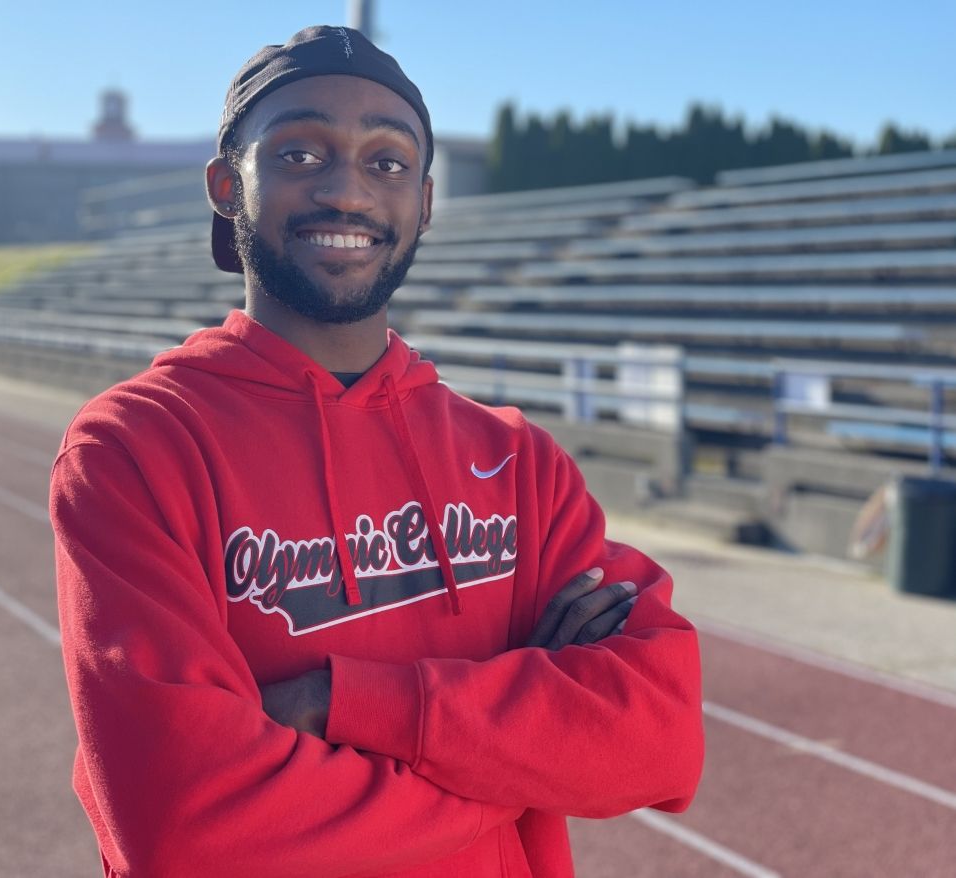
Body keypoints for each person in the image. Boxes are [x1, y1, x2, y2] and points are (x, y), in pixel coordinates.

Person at [50, 26, 703, 878]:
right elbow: (187, 828)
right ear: (226, 186)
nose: (347, 191)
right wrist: (526, 758)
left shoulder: (518, 464)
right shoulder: (134, 449)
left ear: (425, 202)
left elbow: (659, 738)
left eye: (387, 162)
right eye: (299, 153)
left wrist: (341, 702)